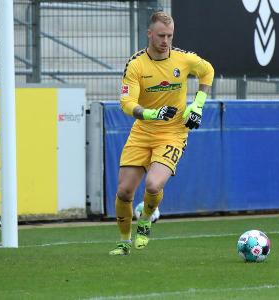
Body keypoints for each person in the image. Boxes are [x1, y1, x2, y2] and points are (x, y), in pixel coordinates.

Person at [109, 10, 214, 255]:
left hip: (173, 133)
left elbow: (208, 71)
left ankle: (145, 219)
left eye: (169, 35)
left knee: (154, 185)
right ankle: (124, 242)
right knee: (124, 191)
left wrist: (197, 105)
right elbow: (126, 103)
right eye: (160, 35)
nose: (165, 41)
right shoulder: (136, 65)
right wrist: (151, 114)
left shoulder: (183, 59)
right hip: (142, 131)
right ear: (149, 34)